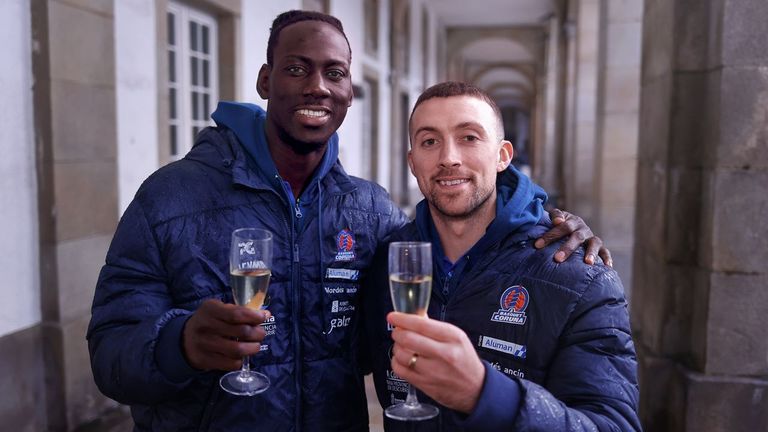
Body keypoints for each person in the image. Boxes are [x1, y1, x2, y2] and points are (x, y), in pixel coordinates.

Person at [87, 11, 609, 432]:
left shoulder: (371, 212)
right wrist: (178, 346)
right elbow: (111, 353)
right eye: (297, 68)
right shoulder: (169, 197)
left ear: (349, 93)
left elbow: (456, 238)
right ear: (266, 80)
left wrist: (542, 216)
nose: (318, 86)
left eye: (334, 73)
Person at [363, 82, 641, 431]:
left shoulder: (582, 276)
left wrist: (484, 395)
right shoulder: (386, 262)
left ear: (503, 156)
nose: (449, 157)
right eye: (429, 141)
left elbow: (612, 425)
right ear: (412, 161)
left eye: (469, 137)